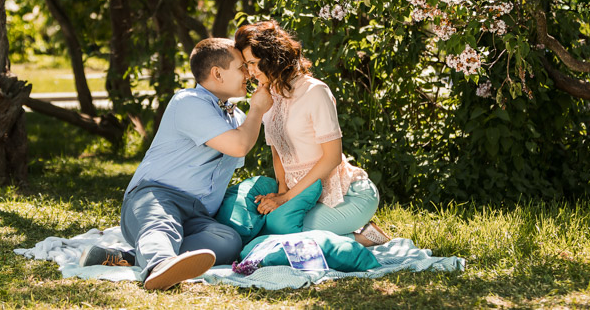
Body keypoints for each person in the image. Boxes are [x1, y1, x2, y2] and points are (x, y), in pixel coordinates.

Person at [80, 37, 273, 290]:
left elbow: (239, 143)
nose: (248, 73)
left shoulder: (235, 116)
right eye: (241, 68)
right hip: (155, 196)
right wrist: (257, 110)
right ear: (217, 73)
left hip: (197, 214)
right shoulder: (188, 102)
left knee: (228, 240)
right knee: (162, 223)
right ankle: (159, 267)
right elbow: (239, 146)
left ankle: (128, 258)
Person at [234, 20, 390, 247]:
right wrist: (281, 193)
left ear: (272, 57)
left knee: (290, 236)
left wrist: (286, 199)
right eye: (247, 65)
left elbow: (332, 157)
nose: (250, 72)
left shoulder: (315, 91)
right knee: (274, 226)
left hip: (348, 195)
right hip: (306, 197)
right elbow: (277, 152)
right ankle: (350, 231)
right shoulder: (269, 96)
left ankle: (366, 235)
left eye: (254, 63)